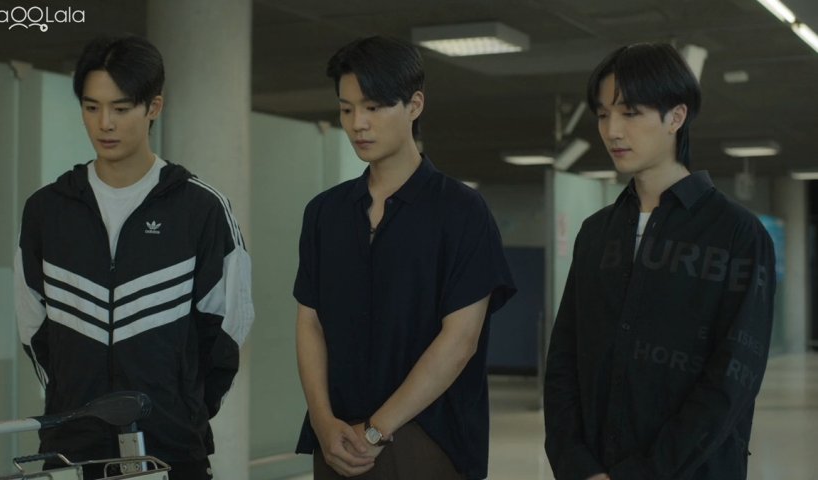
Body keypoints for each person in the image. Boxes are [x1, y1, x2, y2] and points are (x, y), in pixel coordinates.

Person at [14, 34, 254, 480]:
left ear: (153, 107)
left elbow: (226, 330)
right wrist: (70, 407)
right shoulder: (46, 210)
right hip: (72, 452)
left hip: (171, 452)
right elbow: (33, 328)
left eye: (121, 109)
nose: (104, 123)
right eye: (91, 107)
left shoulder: (200, 209)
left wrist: (181, 410)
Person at [543, 43, 776, 480]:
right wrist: (576, 464)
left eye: (630, 113)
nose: (612, 130)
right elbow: (564, 361)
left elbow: (732, 379)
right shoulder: (596, 233)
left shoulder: (736, 235)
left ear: (676, 117)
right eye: (603, 115)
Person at [293, 35, 515, 480]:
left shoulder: (461, 211)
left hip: (429, 438)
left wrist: (377, 430)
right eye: (346, 109)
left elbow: (460, 340)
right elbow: (310, 322)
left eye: (373, 107)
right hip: (337, 440)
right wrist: (321, 419)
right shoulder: (325, 213)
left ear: (414, 105)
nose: (358, 124)